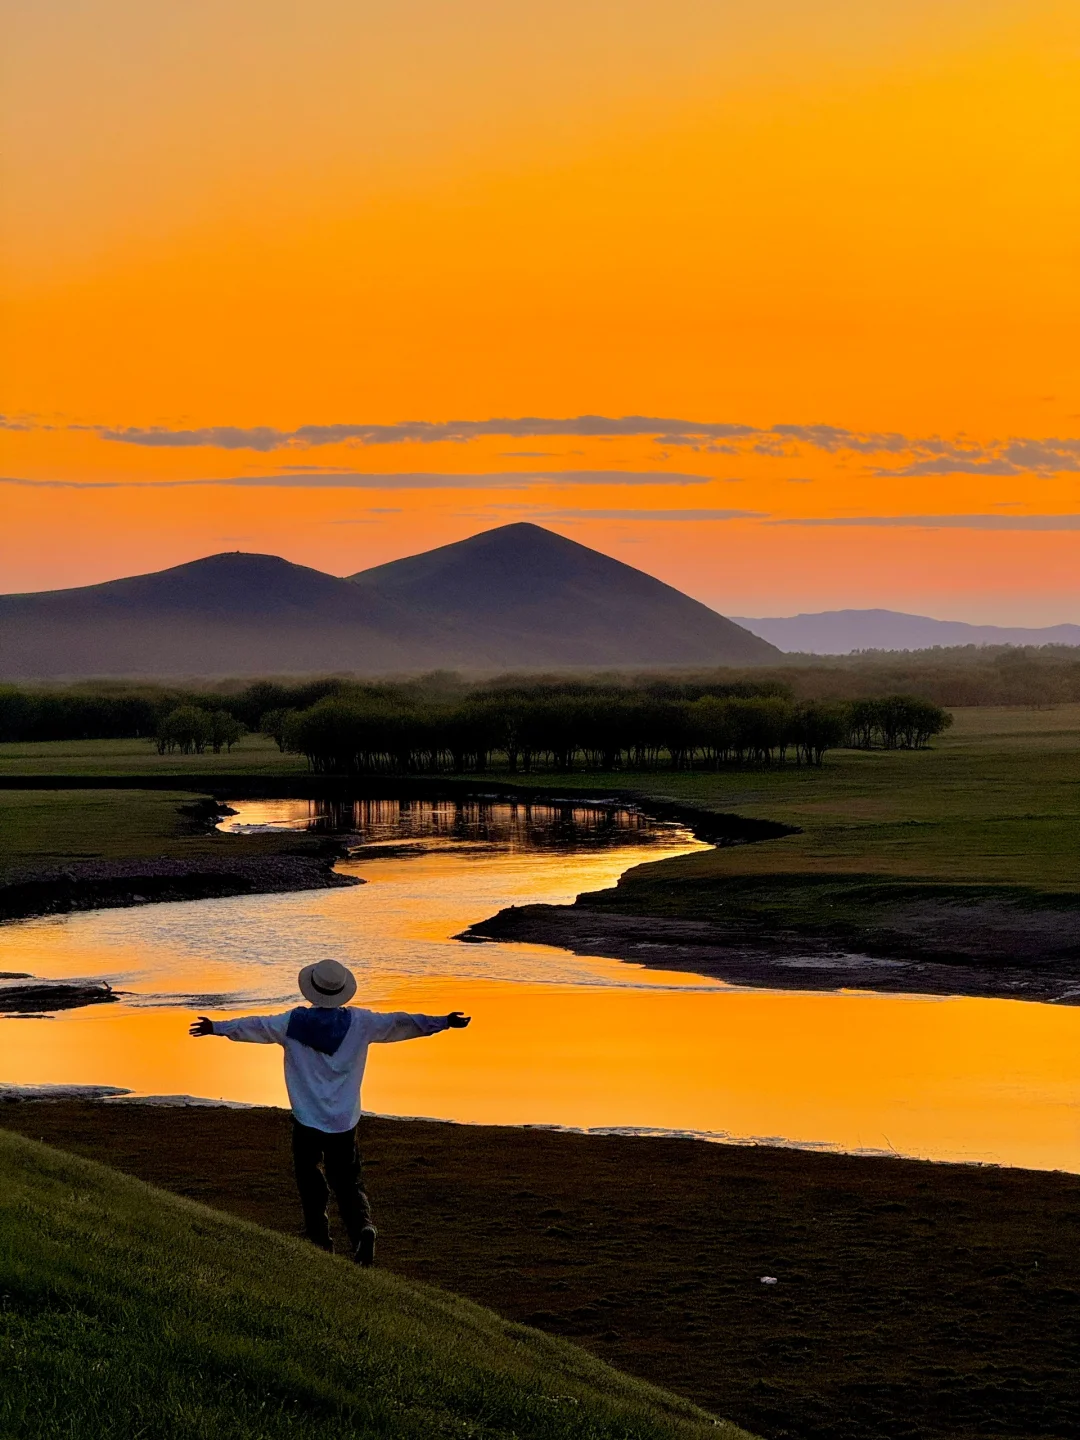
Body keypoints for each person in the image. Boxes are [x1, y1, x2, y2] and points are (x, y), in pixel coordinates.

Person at [189, 957, 470, 1266]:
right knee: (349, 1180)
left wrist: (217, 1027)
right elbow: (401, 1022)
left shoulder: (291, 1023)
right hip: (344, 1120)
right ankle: (362, 1228)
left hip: (306, 1117)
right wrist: (443, 1021)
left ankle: (320, 1239)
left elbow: (255, 1026)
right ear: (341, 991)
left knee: (308, 1176)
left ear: (311, 990)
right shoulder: (362, 1023)